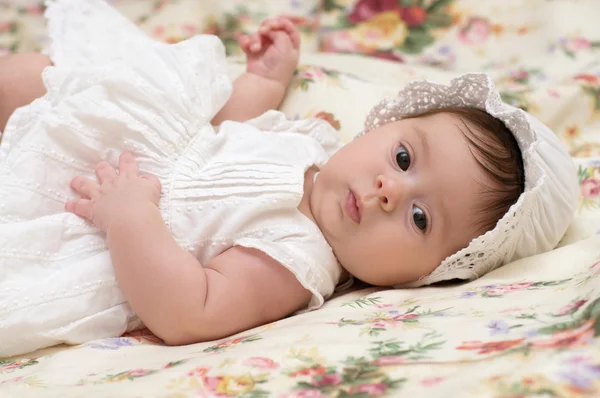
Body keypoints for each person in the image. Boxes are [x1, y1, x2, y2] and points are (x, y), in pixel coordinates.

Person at [0, 0, 578, 357]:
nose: (388, 191)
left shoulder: (294, 261)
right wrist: (265, 79)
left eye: (420, 218)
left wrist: (128, 216)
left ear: (428, 275)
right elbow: (226, 127)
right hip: (124, 145)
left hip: (98, 217)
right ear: (389, 124)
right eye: (403, 159)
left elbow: (189, 310)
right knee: (28, 77)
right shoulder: (312, 144)